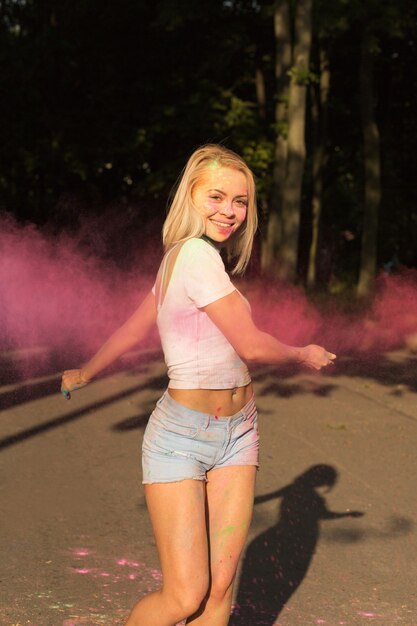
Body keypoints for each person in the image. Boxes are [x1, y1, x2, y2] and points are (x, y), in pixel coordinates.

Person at [61, 144, 336, 626]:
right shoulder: (192, 256)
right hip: (181, 438)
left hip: (239, 434)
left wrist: (86, 371)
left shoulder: (185, 260)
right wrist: (301, 352)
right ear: (190, 196)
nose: (229, 211)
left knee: (220, 592)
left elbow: (134, 326)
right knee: (186, 596)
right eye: (216, 197)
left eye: (241, 201)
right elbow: (250, 345)